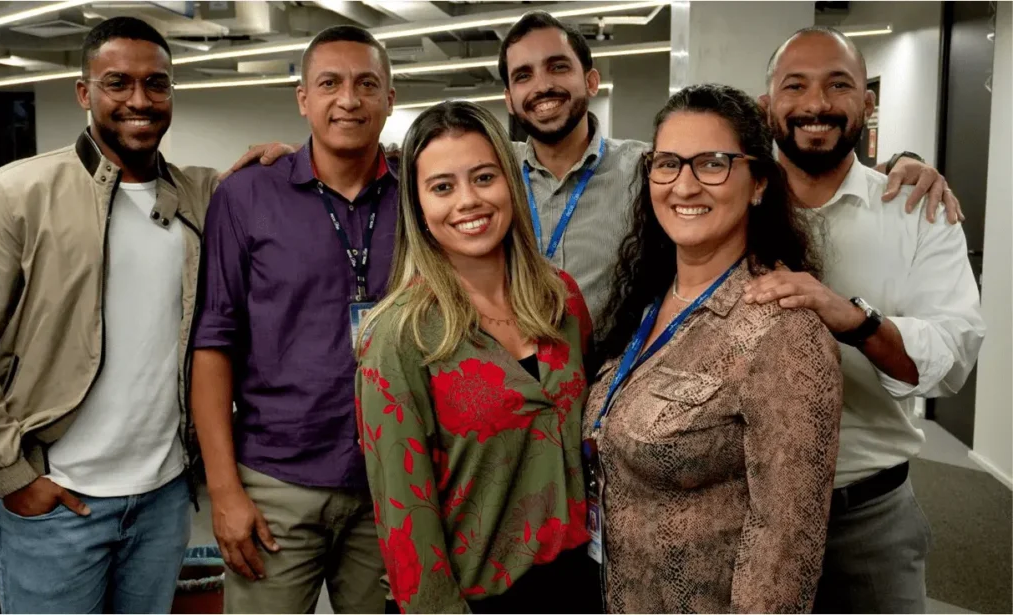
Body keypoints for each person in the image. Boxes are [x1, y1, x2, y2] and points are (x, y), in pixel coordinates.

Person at [0, 16, 290, 614]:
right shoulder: (17, 194)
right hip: (59, 501)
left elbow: (271, 185)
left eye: (156, 84)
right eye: (117, 83)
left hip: (162, 499)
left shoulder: (203, 197)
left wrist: (285, 159)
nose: (139, 100)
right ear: (85, 93)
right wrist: (10, 473)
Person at [498, 11, 964, 324]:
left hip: (600, 396)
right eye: (523, 76)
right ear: (509, 99)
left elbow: (728, 166)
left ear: (591, 80)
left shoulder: (646, 169)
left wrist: (908, 162)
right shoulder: (493, 175)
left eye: (558, 67)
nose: (542, 86)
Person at [748, 26, 986, 613]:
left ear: (868, 102)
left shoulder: (919, 213)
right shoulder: (727, 209)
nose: (816, 105)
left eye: (839, 85)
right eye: (794, 86)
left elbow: (952, 357)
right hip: (740, 511)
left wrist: (854, 320)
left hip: (868, 518)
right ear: (766, 105)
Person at [585, 84, 845, 613]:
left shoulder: (783, 333)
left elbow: (784, 553)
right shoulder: (649, 300)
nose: (684, 185)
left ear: (757, 185)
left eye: (712, 163)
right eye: (667, 163)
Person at [355, 101, 598, 614]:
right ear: (418, 206)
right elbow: (404, 518)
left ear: (510, 182)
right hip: (476, 597)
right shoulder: (400, 335)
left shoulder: (562, 301)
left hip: (580, 581)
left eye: (484, 177)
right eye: (442, 187)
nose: (468, 201)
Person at [190, 25, 396, 614]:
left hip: (390, 481)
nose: (348, 100)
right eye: (329, 84)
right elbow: (213, 343)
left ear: (390, 98)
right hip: (276, 480)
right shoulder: (248, 195)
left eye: (366, 84)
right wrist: (224, 491)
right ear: (303, 99)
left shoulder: (417, 195)